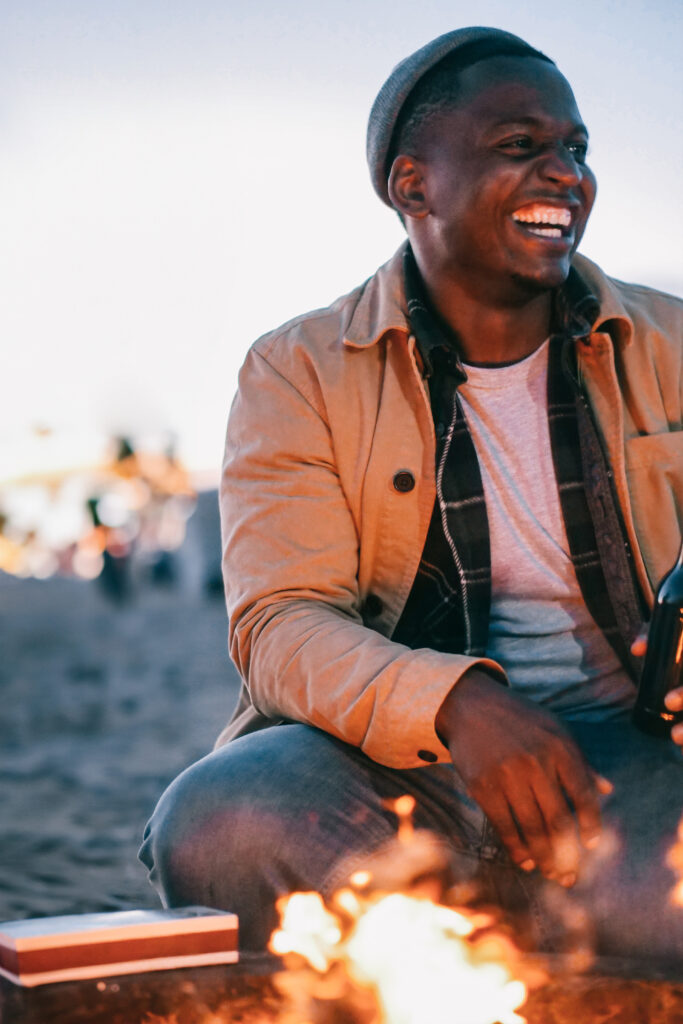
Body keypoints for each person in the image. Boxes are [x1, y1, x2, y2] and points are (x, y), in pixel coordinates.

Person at [140, 27, 683, 962]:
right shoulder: (298, 369)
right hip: (387, 765)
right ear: (411, 185)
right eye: (521, 147)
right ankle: (507, 930)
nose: (567, 175)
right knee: (221, 821)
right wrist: (458, 707)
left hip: (631, 764)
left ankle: (500, 931)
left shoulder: (669, 341)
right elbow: (279, 624)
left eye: (576, 148)